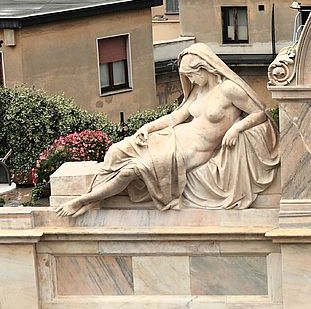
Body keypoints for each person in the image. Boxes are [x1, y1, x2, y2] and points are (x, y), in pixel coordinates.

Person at [57, 43, 279, 217]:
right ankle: (97, 194)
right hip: (172, 137)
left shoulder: (230, 90)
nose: (190, 80)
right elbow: (176, 117)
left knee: (132, 170)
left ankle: (85, 200)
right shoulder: (198, 91)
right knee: (117, 150)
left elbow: (260, 113)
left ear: (205, 68)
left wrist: (237, 128)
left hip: (190, 151)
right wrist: (147, 127)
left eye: (191, 75)